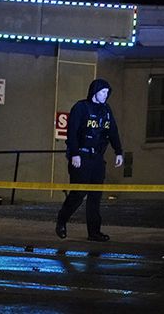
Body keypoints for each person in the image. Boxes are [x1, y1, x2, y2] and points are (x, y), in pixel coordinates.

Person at [56, 79, 123, 242]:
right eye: (103, 92)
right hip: (81, 156)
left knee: (95, 196)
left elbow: (113, 131)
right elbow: (72, 133)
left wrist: (119, 151)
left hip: (97, 158)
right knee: (78, 194)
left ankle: (94, 232)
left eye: (107, 93)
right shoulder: (81, 108)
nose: (105, 95)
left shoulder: (106, 110)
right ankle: (62, 220)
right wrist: (75, 154)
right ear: (94, 92)